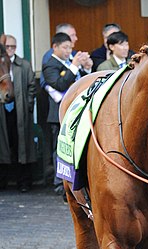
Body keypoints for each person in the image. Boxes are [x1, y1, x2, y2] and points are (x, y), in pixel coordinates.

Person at [42, 32, 90, 199]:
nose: (69, 51)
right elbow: (60, 84)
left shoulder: (69, 63)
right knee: (60, 149)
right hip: (58, 115)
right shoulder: (50, 65)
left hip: (76, 112)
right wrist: (75, 65)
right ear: (54, 47)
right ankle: (59, 183)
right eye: (65, 47)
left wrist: (87, 67)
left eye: (70, 47)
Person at [0, 34, 36, 192]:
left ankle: (24, 182)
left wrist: (27, 106)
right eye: (7, 47)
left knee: (22, 145)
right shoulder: (1, 64)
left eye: (12, 47)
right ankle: (3, 181)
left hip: (19, 111)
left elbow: (31, 87)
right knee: (4, 144)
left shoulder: (24, 65)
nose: (10, 49)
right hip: (3, 111)